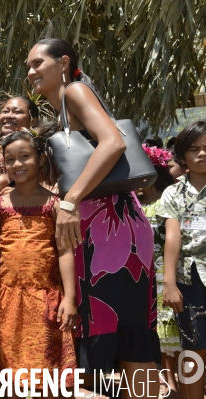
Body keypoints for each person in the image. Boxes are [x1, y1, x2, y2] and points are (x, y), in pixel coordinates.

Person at [27, 38, 159, 397]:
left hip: (110, 227)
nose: (31, 72)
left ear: (64, 62)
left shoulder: (74, 92)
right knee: (126, 335)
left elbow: (113, 142)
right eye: (28, 66)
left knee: (113, 335)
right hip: (109, 223)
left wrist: (70, 202)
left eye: (38, 63)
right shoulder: (66, 106)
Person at [0, 130, 77, 391]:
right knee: (7, 377)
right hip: (6, 300)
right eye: (10, 159)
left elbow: (65, 252)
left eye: (24, 156)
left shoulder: (55, 205)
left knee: (49, 377)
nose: (17, 164)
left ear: (41, 159)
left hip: (47, 299)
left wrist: (69, 298)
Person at [159, 121, 206, 399]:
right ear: (182, 155)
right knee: (194, 349)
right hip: (190, 281)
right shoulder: (173, 193)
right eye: (194, 149)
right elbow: (173, 237)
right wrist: (169, 283)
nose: (202, 154)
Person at [136, 143, 178, 398]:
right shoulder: (130, 203)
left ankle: (174, 383)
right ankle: (160, 381)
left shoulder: (166, 201)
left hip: (163, 272)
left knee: (169, 328)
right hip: (139, 275)